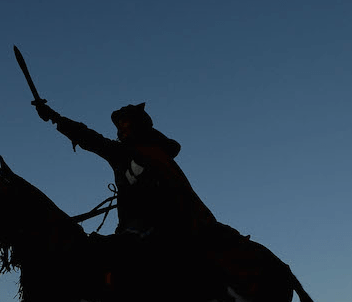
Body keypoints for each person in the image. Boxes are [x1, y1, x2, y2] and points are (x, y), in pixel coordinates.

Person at [34, 101, 216, 241]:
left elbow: (91, 138)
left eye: (124, 122)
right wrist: (55, 117)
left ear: (137, 125)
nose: (120, 129)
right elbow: (89, 138)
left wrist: (54, 117)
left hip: (162, 226)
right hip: (143, 227)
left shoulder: (151, 152)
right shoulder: (128, 153)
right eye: (119, 125)